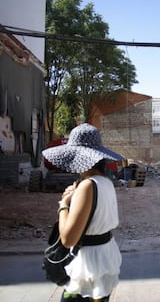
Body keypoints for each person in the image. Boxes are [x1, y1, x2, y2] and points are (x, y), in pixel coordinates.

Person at [42, 123, 122, 302]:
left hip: (87, 266)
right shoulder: (106, 182)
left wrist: (63, 205)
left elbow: (68, 239)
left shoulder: (87, 186)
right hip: (104, 259)